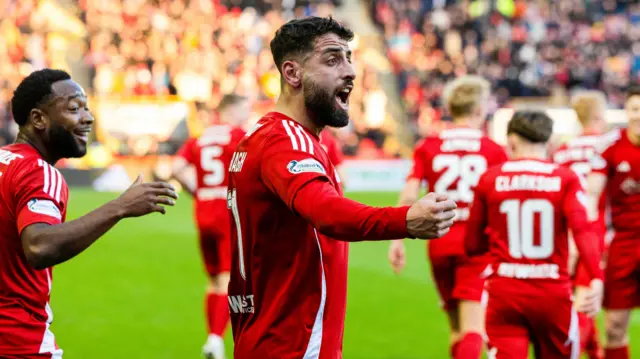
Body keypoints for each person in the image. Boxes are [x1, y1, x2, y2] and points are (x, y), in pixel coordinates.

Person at [227, 16, 458, 359]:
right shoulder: (285, 142)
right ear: (292, 74)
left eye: (349, 58)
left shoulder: (267, 137)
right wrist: (406, 220)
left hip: (270, 338)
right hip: (293, 345)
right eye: (333, 59)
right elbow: (327, 212)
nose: (350, 71)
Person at [0, 69, 178, 358]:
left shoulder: (5, 161)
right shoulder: (37, 172)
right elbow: (39, 246)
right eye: (73, 108)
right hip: (18, 342)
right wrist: (120, 207)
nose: (88, 117)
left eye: (86, 107)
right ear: (38, 119)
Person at [465, 111, 604, 359]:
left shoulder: (490, 178)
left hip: (504, 291)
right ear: (549, 143)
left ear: (511, 141)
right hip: (552, 292)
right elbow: (583, 229)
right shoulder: (565, 178)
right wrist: (595, 275)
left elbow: (472, 244)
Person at [389, 75, 507, 359]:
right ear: (478, 109)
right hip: (476, 244)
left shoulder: (429, 145)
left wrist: (397, 240)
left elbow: (409, 194)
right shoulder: (493, 149)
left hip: (439, 242)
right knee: (475, 329)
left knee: (456, 329)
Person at [170, 94, 248, 359]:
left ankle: (213, 337)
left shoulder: (201, 137)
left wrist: (198, 190)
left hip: (203, 210)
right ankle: (216, 340)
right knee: (230, 279)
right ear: (232, 110)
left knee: (215, 279)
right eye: (244, 110)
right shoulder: (239, 135)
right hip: (228, 210)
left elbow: (177, 166)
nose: (246, 115)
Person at [552, 90, 608, 359]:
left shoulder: (562, 152)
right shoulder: (610, 145)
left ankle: (595, 352)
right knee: (587, 301)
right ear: (599, 115)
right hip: (599, 230)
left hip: (568, 232)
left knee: (581, 298)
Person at [587, 86, 640, 359]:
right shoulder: (610, 146)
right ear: (627, 112)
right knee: (615, 326)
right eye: (634, 109)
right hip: (623, 244)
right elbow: (591, 194)